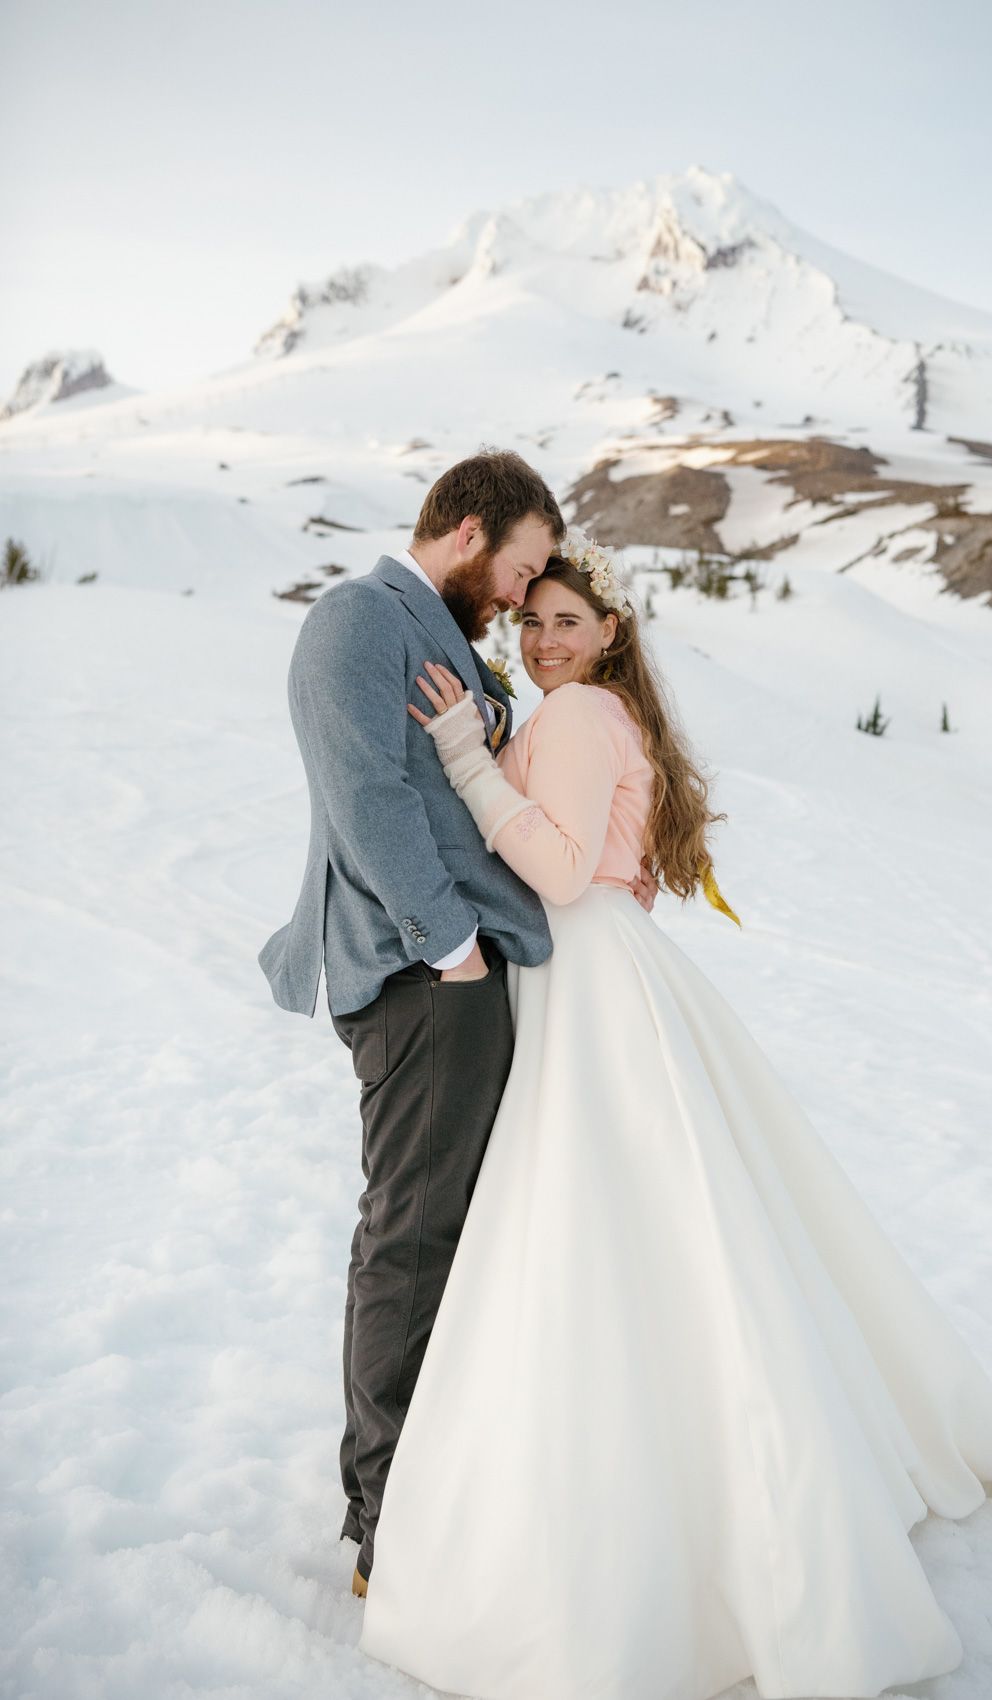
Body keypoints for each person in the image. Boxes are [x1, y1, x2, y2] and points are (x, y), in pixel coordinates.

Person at [354, 526, 992, 1700]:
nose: (546, 636)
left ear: (612, 632)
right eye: (533, 618)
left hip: (582, 977)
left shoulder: (573, 716)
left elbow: (558, 874)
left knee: (589, 1228)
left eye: (570, 619)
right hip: (604, 974)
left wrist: (465, 756)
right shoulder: (615, 717)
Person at [257, 453, 660, 1599]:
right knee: (412, 1239)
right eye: (520, 567)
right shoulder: (354, 618)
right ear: (470, 529)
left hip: (470, 976)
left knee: (464, 1240)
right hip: (423, 977)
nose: (517, 597)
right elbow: (366, 797)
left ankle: (447, 1489)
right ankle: (384, 1522)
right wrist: (448, 944)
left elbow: (481, 755)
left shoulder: (432, 633)